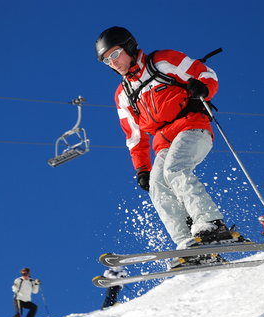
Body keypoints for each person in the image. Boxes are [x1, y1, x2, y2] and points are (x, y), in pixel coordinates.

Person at [95, 26, 238, 268]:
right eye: (106, 60)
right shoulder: (123, 94)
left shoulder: (162, 61)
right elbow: (135, 136)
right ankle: (188, 245)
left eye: (115, 54)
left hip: (192, 125)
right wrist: (142, 169)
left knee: (175, 168)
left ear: (128, 46)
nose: (112, 62)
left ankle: (211, 224)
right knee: (157, 185)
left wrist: (203, 88)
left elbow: (205, 73)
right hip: (163, 142)